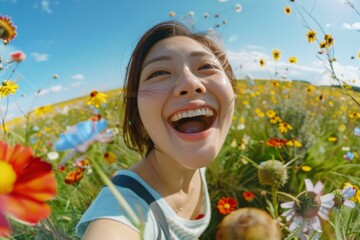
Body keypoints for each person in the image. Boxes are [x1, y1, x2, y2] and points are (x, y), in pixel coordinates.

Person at [76, 20, 236, 240]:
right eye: (159, 73)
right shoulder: (123, 209)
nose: (190, 83)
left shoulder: (196, 159)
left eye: (207, 66)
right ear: (137, 113)